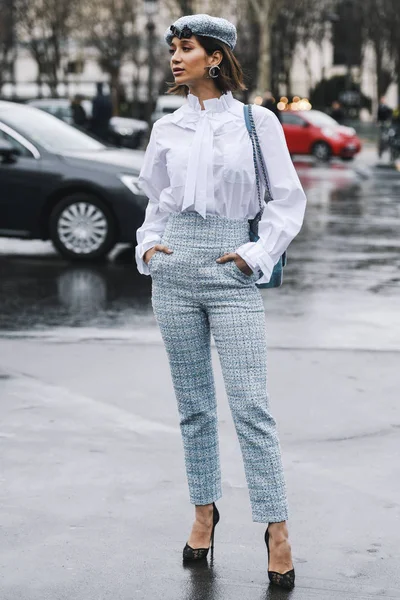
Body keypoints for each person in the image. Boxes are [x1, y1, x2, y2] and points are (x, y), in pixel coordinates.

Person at [135, 14, 306, 591]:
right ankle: (204, 511)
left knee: (251, 406)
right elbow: (155, 205)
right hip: (174, 271)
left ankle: (276, 527)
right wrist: (150, 248)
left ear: (215, 57)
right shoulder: (167, 129)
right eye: (174, 50)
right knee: (194, 406)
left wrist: (254, 256)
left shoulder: (257, 123)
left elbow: (287, 202)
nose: (175, 59)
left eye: (186, 49)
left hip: (232, 270)